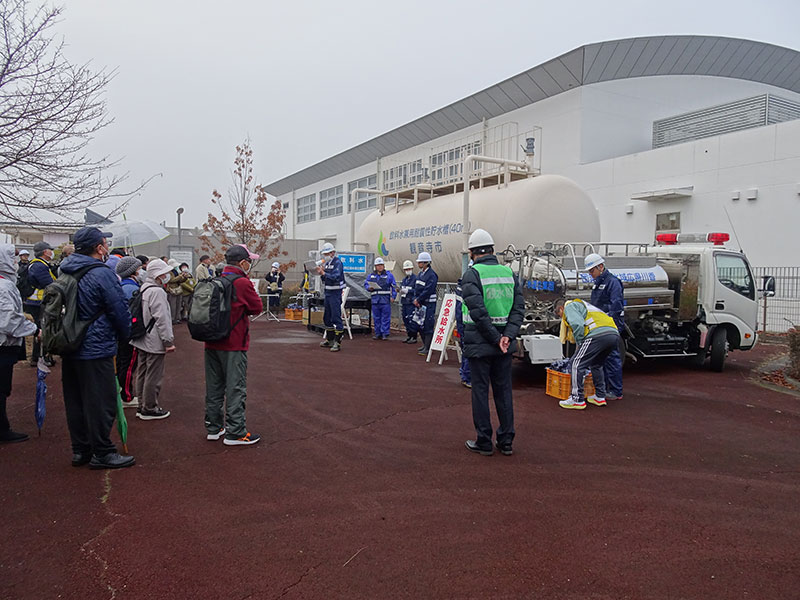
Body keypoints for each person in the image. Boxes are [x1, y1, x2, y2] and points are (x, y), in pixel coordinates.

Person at [59, 227, 134, 469]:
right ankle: (102, 451)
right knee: (101, 401)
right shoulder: (102, 274)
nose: (106, 247)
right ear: (98, 248)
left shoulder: (65, 270)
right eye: (104, 243)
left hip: (70, 343)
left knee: (76, 400)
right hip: (96, 346)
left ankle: (81, 449)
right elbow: (119, 309)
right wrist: (125, 336)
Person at [461, 229, 524, 456]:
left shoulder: (472, 274)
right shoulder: (509, 273)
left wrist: (495, 338)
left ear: (472, 252)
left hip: (481, 343)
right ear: (492, 250)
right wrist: (506, 336)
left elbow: (478, 313)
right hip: (504, 344)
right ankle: (506, 441)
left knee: (480, 391)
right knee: (503, 391)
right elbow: (518, 308)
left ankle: (484, 441)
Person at [203, 245, 264, 445]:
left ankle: (214, 427)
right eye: (249, 261)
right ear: (242, 263)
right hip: (234, 342)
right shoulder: (242, 283)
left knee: (214, 387)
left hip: (212, 341)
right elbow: (257, 307)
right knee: (235, 387)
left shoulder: (216, 279)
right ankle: (236, 432)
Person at [0, 244, 39, 443]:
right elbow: (9, 320)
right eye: (12, 258)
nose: (15, 262)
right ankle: (2, 429)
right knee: (1, 387)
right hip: (3, 345)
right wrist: (34, 330)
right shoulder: (4, 286)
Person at [555, 298, 621, 410]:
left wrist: (580, 342)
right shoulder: (587, 306)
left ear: (561, 309)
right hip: (613, 334)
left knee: (575, 364)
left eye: (560, 315)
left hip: (596, 334)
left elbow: (577, 324)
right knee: (596, 364)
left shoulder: (570, 306)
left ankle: (577, 399)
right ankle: (600, 396)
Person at [131, 259, 175, 420]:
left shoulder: (144, 287)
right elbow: (162, 318)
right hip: (154, 338)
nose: (167, 275)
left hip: (142, 337)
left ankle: (142, 404)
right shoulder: (157, 292)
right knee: (154, 374)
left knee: (142, 371)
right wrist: (168, 341)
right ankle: (150, 407)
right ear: (159, 274)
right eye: (165, 273)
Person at [586, 253, 625, 400]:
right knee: (603, 357)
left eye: (592, 271)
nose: (591, 274)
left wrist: (609, 321)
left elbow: (616, 305)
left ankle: (616, 391)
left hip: (611, 324)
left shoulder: (612, 282)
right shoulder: (599, 282)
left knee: (611, 356)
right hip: (601, 323)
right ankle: (607, 388)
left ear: (600, 266)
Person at [23, 241, 56, 366]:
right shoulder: (39, 266)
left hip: (36, 301)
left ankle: (40, 356)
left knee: (41, 328)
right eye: (50, 249)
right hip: (39, 302)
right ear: (45, 252)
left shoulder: (39, 264)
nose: (51, 252)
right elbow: (49, 284)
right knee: (43, 328)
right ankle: (41, 357)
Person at [116, 257, 143, 409]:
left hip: (121, 331)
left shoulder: (120, 285)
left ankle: (122, 391)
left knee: (121, 361)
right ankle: (126, 396)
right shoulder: (132, 289)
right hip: (130, 331)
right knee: (129, 363)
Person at [316, 243, 345, 352]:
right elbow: (326, 280)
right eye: (324, 254)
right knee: (327, 317)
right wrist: (321, 274)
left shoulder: (338, 263)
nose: (325, 256)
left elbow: (335, 277)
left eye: (327, 253)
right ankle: (330, 339)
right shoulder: (327, 264)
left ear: (333, 253)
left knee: (335, 317)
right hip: (328, 292)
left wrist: (324, 273)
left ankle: (337, 342)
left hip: (335, 293)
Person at [411, 251, 438, 356]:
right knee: (420, 324)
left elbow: (428, 290)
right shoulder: (420, 274)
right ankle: (424, 345)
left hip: (428, 304)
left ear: (425, 262)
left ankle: (428, 347)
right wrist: (415, 299)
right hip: (421, 304)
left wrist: (418, 300)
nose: (418, 264)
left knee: (428, 325)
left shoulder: (431, 275)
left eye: (420, 262)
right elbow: (416, 288)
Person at [365, 257, 396, 340]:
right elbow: (366, 284)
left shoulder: (389, 275)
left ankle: (385, 334)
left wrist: (393, 296)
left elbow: (394, 287)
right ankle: (378, 333)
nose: (380, 267)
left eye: (381, 265)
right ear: (375, 266)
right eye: (378, 265)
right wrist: (369, 288)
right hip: (375, 300)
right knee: (376, 318)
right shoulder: (371, 276)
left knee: (385, 318)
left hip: (385, 300)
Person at [455, 272, 471, 389]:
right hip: (468, 324)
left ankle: (466, 376)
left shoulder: (462, 285)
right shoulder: (467, 286)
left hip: (464, 323)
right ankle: (467, 377)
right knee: (468, 351)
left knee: (466, 349)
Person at [399, 260, 418, 344]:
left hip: (411, 302)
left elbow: (417, 290)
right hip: (404, 302)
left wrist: (408, 291)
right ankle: (409, 335)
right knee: (405, 319)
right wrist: (400, 290)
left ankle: (414, 336)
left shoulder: (415, 279)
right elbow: (402, 288)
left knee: (411, 319)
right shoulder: (404, 280)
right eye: (406, 269)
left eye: (409, 269)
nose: (407, 270)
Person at [165, 259, 189, 324]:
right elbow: (171, 280)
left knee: (178, 304)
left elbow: (180, 280)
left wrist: (184, 277)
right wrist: (180, 276)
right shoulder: (168, 272)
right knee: (173, 305)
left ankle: (177, 318)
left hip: (178, 289)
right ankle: (172, 319)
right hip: (172, 290)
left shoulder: (175, 271)